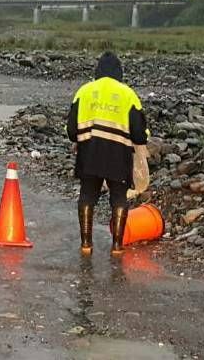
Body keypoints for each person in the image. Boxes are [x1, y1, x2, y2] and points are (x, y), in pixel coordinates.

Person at [66, 52, 148, 256]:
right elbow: (139, 135)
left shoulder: (84, 91)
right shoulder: (128, 94)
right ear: (119, 73)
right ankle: (117, 247)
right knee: (119, 197)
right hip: (118, 155)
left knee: (87, 195)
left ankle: (86, 244)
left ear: (97, 71)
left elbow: (71, 131)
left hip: (89, 153)